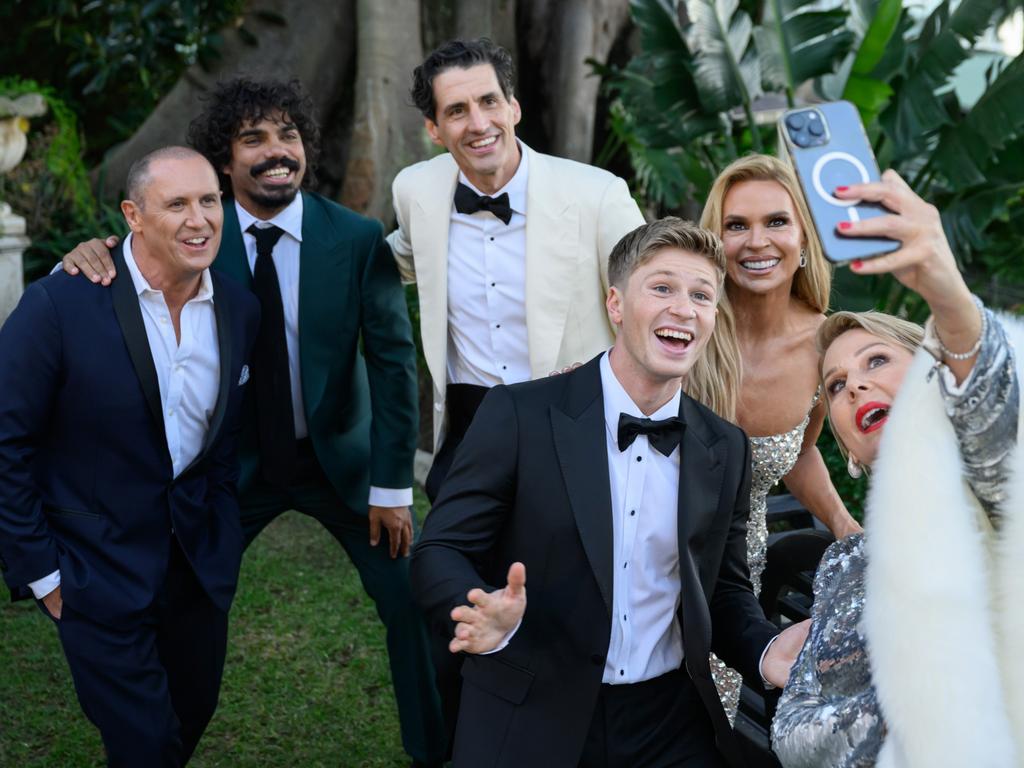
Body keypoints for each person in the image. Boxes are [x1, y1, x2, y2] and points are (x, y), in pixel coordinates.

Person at [59, 79, 445, 767]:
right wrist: (90, 252)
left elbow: (392, 365)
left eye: (288, 135)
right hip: (229, 469)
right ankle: (160, 748)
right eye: (254, 138)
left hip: (341, 464)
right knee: (184, 605)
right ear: (224, 160)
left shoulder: (355, 240)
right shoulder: (197, 237)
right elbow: (132, 260)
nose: (276, 151)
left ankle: (439, 750)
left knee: (413, 596)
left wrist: (391, 487)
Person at [411, 217, 809, 768]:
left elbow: (722, 590)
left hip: (669, 724)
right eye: (662, 287)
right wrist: (478, 611)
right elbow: (441, 550)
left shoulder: (726, 448)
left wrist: (767, 648)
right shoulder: (519, 415)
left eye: (701, 295)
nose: (684, 308)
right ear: (616, 306)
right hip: (532, 704)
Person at [0, 147, 260, 765]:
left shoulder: (238, 309)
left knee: (188, 717)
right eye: (177, 204)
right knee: (145, 745)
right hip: (93, 572)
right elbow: (6, 443)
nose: (199, 219)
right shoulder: (59, 305)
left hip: (197, 572)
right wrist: (43, 574)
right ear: (132, 216)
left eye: (208, 200)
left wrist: (222, 534)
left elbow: (225, 441)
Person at [770, 171, 1023, 766]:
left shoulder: (992, 498)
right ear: (848, 451)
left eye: (877, 359)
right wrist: (918, 706)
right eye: (835, 385)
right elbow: (793, 731)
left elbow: (996, 425)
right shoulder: (845, 564)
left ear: (933, 377)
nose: (855, 383)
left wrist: (946, 292)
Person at [387, 37, 646, 501]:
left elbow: (651, 305)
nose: (479, 123)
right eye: (457, 110)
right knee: (453, 564)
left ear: (514, 108)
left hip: (573, 416)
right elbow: (398, 259)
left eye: (489, 102)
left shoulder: (598, 195)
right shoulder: (415, 190)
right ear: (434, 129)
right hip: (469, 424)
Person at [699, 154, 861, 717]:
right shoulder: (686, 323)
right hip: (632, 551)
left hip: (732, 576)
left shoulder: (825, 347)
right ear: (714, 238)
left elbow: (801, 449)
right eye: (736, 225)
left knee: (703, 724)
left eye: (776, 222)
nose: (756, 242)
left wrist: (844, 525)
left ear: (804, 236)